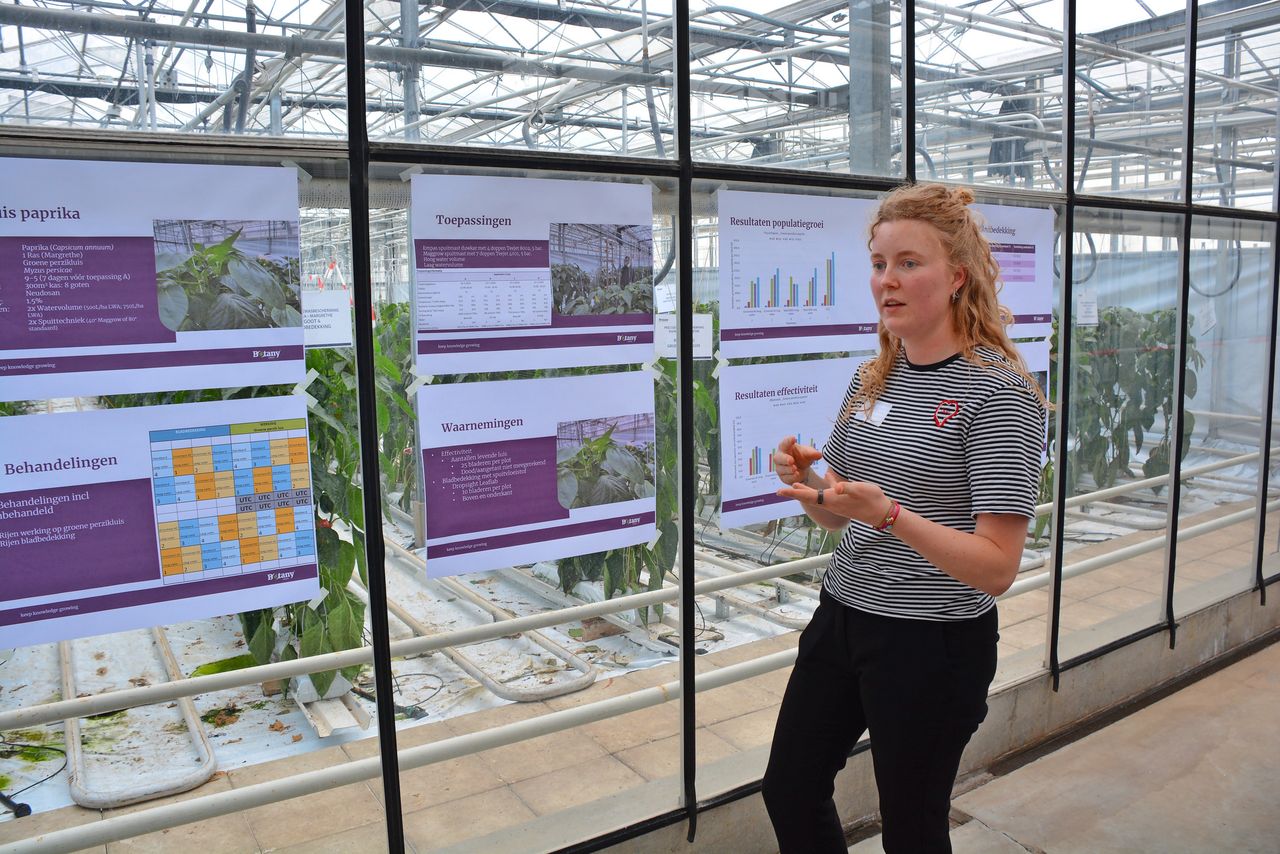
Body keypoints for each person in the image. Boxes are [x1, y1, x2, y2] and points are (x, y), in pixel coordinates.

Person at [760, 183, 1047, 853]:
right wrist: (812, 487)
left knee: (912, 828)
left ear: (956, 277)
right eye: (879, 262)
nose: (887, 281)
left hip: (932, 644)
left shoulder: (998, 396)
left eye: (909, 263)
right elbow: (842, 515)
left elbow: (997, 568)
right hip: (843, 617)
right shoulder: (872, 377)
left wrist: (890, 515)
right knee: (789, 786)